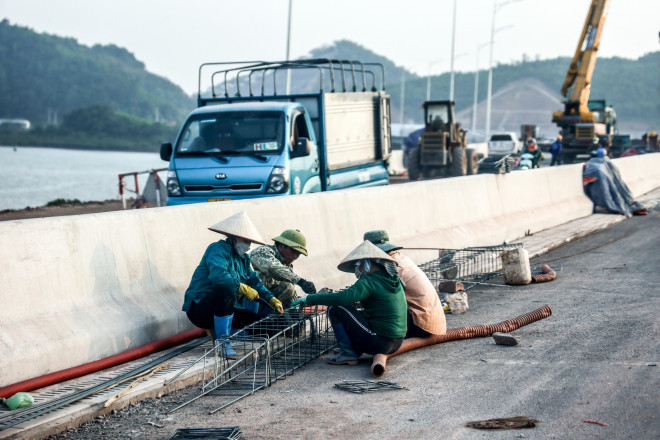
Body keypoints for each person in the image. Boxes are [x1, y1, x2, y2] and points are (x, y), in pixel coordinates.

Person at [182, 211, 283, 358]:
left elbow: (255, 282)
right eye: (245, 240)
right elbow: (219, 277)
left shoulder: (244, 259)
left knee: (264, 325)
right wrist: (242, 287)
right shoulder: (216, 249)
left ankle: (232, 333)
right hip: (200, 309)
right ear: (234, 237)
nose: (247, 245)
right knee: (225, 290)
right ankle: (223, 343)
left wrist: (271, 299)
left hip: (228, 308)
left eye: (250, 242)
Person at [292, 240, 407, 365]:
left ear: (367, 263)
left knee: (337, 308)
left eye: (359, 265)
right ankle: (354, 349)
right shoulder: (393, 278)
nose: (359, 269)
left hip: (381, 343)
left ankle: (348, 353)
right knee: (354, 313)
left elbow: (342, 298)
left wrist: (310, 298)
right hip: (397, 342)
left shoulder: (369, 281)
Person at [363, 230, 446, 338]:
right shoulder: (400, 258)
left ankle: (380, 342)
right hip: (433, 321)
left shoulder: (393, 268)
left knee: (380, 308)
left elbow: (382, 298)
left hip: (421, 325)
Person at [250, 229, 317, 309]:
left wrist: (296, 308)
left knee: (288, 288)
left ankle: (272, 315)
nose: (295, 257)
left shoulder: (286, 265)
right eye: (293, 251)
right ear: (281, 246)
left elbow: (290, 290)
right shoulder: (262, 252)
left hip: (265, 299)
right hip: (247, 298)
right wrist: (301, 282)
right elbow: (273, 268)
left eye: (298, 254)